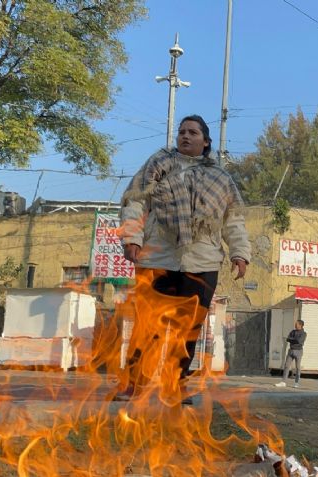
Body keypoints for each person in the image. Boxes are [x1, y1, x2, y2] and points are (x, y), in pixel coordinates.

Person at [117, 115, 251, 403]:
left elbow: (234, 219)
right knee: (148, 326)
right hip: (157, 258)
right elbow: (135, 202)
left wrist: (240, 253)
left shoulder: (221, 179)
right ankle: (133, 384)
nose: (184, 136)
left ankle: (175, 384)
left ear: (205, 141)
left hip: (202, 262)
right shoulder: (157, 165)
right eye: (181, 132)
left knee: (188, 329)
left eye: (192, 132)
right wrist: (132, 238)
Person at [276, 320, 307, 388]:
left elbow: (299, 341)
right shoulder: (293, 331)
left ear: (300, 325)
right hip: (291, 350)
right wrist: (293, 339)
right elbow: (288, 339)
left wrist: (292, 339)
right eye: (295, 324)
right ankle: (283, 382)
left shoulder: (303, 333)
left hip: (298, 351)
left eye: (297, 324)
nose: (295, 325)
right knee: (286, 366)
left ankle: (296, 382)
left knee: (298, 367)